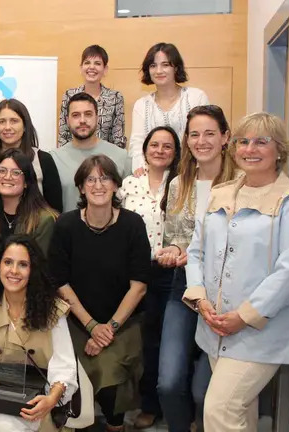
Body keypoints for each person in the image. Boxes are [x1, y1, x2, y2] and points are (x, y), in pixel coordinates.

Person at [183, 112, 289, 432]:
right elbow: (195, 252)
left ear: (280, 149)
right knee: (240, 414)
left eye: (261, 141)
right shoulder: (221, 193)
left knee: (219, 411)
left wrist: (244, 315)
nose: (249, 148)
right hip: (214, 325)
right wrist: (200, 300)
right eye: (243, 141)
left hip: (259, 332)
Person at [49, 155, 151, 432]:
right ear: (81, 188)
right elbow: (60, 282)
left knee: (110, 377)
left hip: (124, 322)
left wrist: (109, 328)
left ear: (116, 185)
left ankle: (115, 426)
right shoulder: (66, 225)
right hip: (77, 320)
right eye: (90, 179)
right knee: (73, 376)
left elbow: (139, 285)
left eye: (105, 177)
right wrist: (92, 326)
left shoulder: (133, 225)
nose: (98, 185)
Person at [154, 105, 237, 432]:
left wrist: (195, 253)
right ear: (187, 140)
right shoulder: (178, 184)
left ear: (225, 137)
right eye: (194, 134)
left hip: (227, 292)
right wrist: (174, 252)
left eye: (210, 133)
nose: (201, 141)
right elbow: (176, 237)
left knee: (206, 393)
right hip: (184, 287)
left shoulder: (241, 183)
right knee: (169, 384)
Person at [0, 234, 77, 432]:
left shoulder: (53, 311)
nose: (14, 271)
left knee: (5, 426)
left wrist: (52, 399)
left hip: (39, 403)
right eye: (8, 262)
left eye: (23, 264)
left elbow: (65, 364)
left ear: (33, 270)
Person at [119, 126, 180, 429]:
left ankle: (165, 406)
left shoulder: (183, 183)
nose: (159, 150)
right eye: (154, 145)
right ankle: (144, 402)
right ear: (144, 150)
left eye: (167, 146)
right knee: (140, 342)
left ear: (175, 152)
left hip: (171, 273)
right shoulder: (130, 183)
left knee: (165, 342)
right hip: (136, 273)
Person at [130, 42, 209, 175]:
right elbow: (137, 143)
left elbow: (205, 138)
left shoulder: (196, 97)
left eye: (165, 65)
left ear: (176, 68)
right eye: (153, 66)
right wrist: (140, 168)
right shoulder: (141, 105)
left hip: (192, 172)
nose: (159, 71)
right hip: (153, 174)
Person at [0, 99, 63, 213]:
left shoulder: (43, 160)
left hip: (35, 229)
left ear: (25, 126)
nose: (7, 127)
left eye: (14, 121)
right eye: (2, 121)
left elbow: (55, 211)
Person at [51, 92, 130, 212]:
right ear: (67, 120)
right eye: (76, 115)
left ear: (97, 118)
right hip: (67, 229)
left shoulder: (121, 156)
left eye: (88, 114)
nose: (82, 120)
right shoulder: (53, 159)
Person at [0, 149, 57, 256]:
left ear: (26, 182)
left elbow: (39, 267)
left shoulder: (43, 221)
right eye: (2, 170)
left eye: (16, 173)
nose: (7, 177)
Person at [58, 45, 126, 149]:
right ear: (81, 68)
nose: (92, 67)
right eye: (87, 63)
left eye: (97, 63)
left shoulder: (115, 97)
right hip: (73, 158)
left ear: (105, 69)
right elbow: (63, 135)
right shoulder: (69, 95)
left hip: (105, 160)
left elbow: (118, 138)